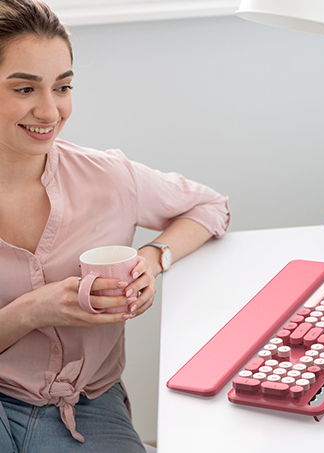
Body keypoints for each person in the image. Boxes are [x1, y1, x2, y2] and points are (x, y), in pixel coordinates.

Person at [0, 1, 230, 452]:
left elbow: (210, 207)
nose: (50, 112)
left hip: (84, 406)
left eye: (62, 87)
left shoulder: (108, 176)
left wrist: (153, 256)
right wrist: (31, 311)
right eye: (25, 89)